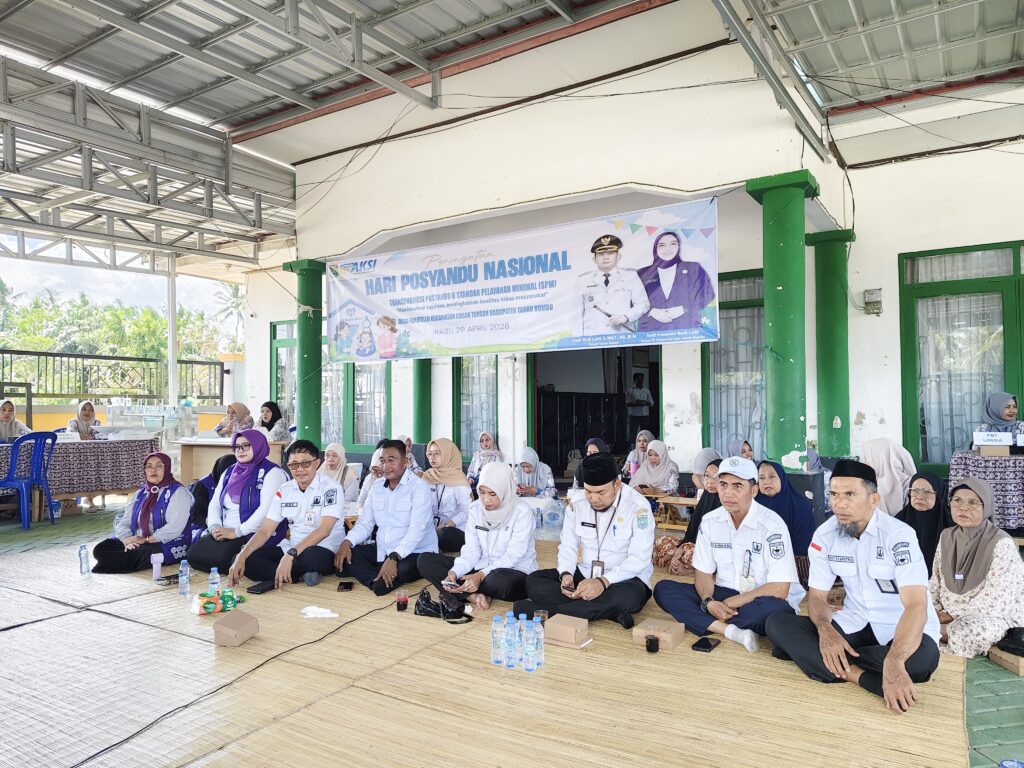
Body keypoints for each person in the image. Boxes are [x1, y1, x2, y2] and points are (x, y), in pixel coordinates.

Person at [766, 460, 941, 713]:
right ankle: (861, 676)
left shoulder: (899, 536)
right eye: (834, 494)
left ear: (873, 499)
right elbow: (816, 597)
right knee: (777, 623)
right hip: (854, 622)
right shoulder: (824, 536)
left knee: (922, 662)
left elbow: (916, 606)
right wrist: (825, 631)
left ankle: (832, 664)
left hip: (901, 627)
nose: (840, 504)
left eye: (850, 494)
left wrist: (894, 659)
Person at [654, 456, 803, 652]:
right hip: (723, 593)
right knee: (663, 589)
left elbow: (780, 589)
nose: (728, 493)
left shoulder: (772, 525)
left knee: (773, 612)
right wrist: (708, 602)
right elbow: (704, 574)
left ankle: (711, 622)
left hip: (761, 598)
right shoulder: (710, 521)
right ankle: (732, 631)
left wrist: (735, 602)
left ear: (754, 490)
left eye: (737, 486)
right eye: (723, 485)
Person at [515, 452, 655, 628]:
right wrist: (566, 573)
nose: (594, 499)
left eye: (601, 492)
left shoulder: (638, 507)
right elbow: (568, 544)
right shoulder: (577, 503)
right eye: (589, 491)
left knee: (628, 597)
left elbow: (639, 559)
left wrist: (602, 582)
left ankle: (552, 612)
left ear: (617, 484)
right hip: (586, 573)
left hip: (624, 579)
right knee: (534, 581)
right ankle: (604, 612)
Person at [417, 463, 539, 610]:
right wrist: (455, 572)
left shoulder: (522, 512)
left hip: (512, 570)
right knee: (425, 560)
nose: (486, 500)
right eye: (481, 492)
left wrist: (480, 576)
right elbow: (471, 550)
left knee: (500, 582)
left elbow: (513, 556)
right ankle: (472, 595)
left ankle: (466, 590)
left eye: (492, 494)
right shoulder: (475, 509)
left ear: (505, 490)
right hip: (480, 568)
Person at [227, 441, 346, 588]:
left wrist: (290, 555)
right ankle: (298, 573)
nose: (300, 469)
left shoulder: (331, 488)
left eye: (305, 463)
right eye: (294, 465)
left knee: (313, 559)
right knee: (242, 559)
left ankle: (292, 570)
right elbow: (265, 530)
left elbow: (324, 530)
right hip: (292, 547)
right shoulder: (284, 490)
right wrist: (242, 555)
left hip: (323, 547)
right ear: (288, 467)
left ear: (317, 463)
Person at [930, 478, 1024, 657]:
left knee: (975, 631)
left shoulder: (1001, 542)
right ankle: (935, 631)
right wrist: (932, 609)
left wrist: (950, 615)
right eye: (957, 500)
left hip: (991, 616)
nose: (963, 508)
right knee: (910, 612)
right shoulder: (947, 536)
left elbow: (997, 600)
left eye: (972, 502)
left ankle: (932, 633)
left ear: (986, 507)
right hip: (944, 615)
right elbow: (935, 579)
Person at [336, 439, 437, 596]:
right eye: (382, 461)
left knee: (390, 578)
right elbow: (365, 523)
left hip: (415, 552)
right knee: (345, 556)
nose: (385, 465)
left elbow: (417, 530)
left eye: (391, 460)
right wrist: (346, 542)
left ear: (405, 462)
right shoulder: (377, 487)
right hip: (384, 548)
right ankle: (377, 577)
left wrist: (394, 557)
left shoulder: (419, 488)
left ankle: (378, 577)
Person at [187, 430, 288, 575]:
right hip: (225, 530)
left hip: (252, 532)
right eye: (237, 447)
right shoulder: (229, 471)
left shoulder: (272, 473)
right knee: (194, 555)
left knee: (223, 559)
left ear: (258, 445)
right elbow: (215, 502)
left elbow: (266, 510)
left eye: (246, 446)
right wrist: (214, 527)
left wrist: (237, 531)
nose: (240, 450)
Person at [92, 453, 192, 573]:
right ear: (144, 470)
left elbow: (174, 528)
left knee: (136, 555)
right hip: (137, 540)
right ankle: (121, 561)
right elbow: (125, 522)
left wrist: (145, 540)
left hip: (164, 542)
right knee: (101, 549)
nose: (153, 470)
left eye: (159, 466)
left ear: (167, 469)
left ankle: (117, 562)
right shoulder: (140, 493)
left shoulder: (178, 492)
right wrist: (127, 540)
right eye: (149, 467)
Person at [637, 230, 716, 332]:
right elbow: (630, 301)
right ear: (655, 249)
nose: (668, 248)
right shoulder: (642, 273)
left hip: (685, 328)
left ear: (679, 246)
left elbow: (707, 294)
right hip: (650, 333)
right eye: (662, 245)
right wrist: (651, 311)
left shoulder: (693, 268)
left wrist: (684, 309)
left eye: (673, 244)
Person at [574, 234, 650, 336]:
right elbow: (576, 315)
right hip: (593, 338)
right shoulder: (583, 280)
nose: (605, 257)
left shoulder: (630, 276)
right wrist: (577, 340)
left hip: (622, 336)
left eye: (610, 253)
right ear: (594, 259)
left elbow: (643, 304)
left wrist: (626, 316)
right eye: (601, 254)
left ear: (618, 256)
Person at [756, 461, 816, 588]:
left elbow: (803, 547)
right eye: (761, 478)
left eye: (772, 476)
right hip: (756, 567)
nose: (766, 482)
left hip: (793, 569)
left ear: (782, 478)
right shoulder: (751, 506)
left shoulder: (800, 506)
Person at [896, 472, 953, 578]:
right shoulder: (898, 522)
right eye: (915, 491)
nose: (920, 497)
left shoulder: (951, 525)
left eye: (927, 492)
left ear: (939, 494)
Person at [422, 438, 472, 552]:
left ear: (447, 454)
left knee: (445, 535)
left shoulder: (458, 479)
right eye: (429, 454)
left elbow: (467, 511)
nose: (432, 457)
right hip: (431, 528)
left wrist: (445, 525)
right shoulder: (427, 476)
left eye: (436, 454)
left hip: (455, 529)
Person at [860, 437, 917, 515]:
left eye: (867, 458)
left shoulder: (911, 485)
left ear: (880, 459)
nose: (865, 463)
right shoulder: (868, 484)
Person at [186, 454, 236, 537]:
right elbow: (194, 516)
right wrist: (215, 525)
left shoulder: (237, 484)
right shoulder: (202, 485)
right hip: (202, 527)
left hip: (228, 527)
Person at [626, 373, 654, 439]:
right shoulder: (630, 390)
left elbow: (652, 402)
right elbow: (627, 403)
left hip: (645, 416)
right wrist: (636, 404)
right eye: (638, 379)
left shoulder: (646, 390)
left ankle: (644, 447)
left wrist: (645, 402)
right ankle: (632, 447)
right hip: (634, 416)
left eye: (642, 379)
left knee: (644, 433)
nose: (640, 381)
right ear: (635, 380)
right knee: (633, 433)